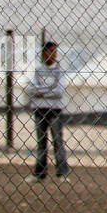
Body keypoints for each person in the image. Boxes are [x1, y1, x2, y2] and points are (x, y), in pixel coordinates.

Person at [25, 41, 69, 182]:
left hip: (55, 110)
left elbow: (59, 92)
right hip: (40, 109)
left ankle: (62, 173)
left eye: (55, 52)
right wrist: (49, 90)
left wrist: (41, 91)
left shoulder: (59, 71)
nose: (53, 55)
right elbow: (30, 90)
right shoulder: (37, 70)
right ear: (44, 53)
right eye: (50, 51)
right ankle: (39, 173)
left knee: (57, 141)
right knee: (41, 143)